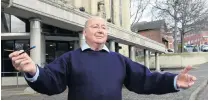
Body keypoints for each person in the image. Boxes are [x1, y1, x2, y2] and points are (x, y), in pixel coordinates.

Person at [9, 16, 196, 100]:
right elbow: (51, 83)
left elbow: (145, 79)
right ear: (84, 32)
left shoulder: (119, 60)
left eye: (104, 27)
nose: (100, 30)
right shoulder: (70, 58)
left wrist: (174, 80)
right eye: (95, 26)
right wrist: (33, 70)